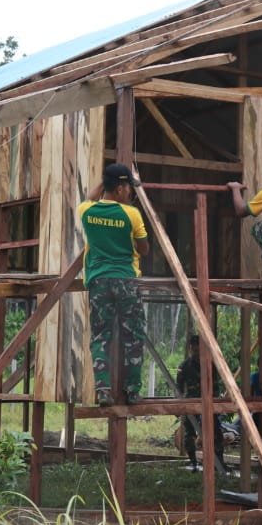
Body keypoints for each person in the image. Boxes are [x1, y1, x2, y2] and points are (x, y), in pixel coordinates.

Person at [79, 163, 150, 407]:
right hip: (126, 280)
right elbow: (144, 249)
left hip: (98, 281)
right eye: (128, 187)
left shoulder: (86, 211)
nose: (130, 192)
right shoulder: (131, 214)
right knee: (133, 335)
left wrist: (105, 179)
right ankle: (132, 391)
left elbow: (89, 197)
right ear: (120, 188)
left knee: (100, 336)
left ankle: (103, 391)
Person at [176, 333, 225, 471]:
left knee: (216, 432)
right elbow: (178, 387)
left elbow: (216, 384)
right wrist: (180, 405)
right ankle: (193, 462)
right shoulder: (185, 366)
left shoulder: (211, 364)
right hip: (191, 403)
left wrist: (216, 400)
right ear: (191, 348)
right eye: (194, 349)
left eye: (198, 349)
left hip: (209, 402)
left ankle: (218, 461)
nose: (196, 351)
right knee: (189, 433)